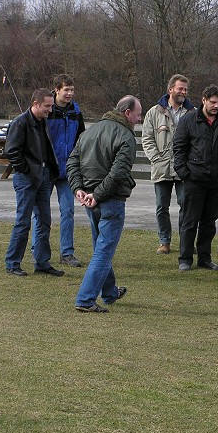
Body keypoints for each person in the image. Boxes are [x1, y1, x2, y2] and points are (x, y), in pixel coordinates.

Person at [66, 95, 142, 312]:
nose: (139, 119)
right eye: (137, 115)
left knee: (101, 247)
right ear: (127, 113)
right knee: (103, 251)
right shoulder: (126, 137)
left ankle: (109, 292)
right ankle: (85, 299)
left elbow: (72, 162)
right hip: (109, 201)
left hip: (91, 200)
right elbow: (118, 172)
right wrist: (97, 195)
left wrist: (79, 189)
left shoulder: (89, 131)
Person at [173, 84, 218, 271]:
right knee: (189, 221)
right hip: (195, 180)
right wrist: (184, 174)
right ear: (203, 100)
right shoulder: (189, 120)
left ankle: (204, 258)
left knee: (209, 222)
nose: (216, 106)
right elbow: (179, 149)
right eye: (213, 102)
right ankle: (185, 258)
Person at [4, 88, 65, 277]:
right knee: (23, 221)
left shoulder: (42, 121)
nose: (50, 110)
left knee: (44, 221)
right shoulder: (20, 123)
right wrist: (27, 170)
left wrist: (47, 171)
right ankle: (13, 262)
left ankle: (42, 262)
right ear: (35, 104)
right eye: (47, 106)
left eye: (51, 106)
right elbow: (12, 151)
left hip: (43, 177)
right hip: (27, 179)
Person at [32, 74, 86, 267]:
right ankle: (37, 251)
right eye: (66, 90)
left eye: (72, 90)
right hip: (47, 170)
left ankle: (67, 253)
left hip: (67, 171)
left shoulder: (76, 113)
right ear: (56, 90)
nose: (70, 93)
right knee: (41, 213)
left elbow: (81, 140)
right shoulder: (47, 111)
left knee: (68, 211)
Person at [142, 74, 195, 255]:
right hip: (161, 167)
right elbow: (147, 139)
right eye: (180, 88)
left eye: (186, 89)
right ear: (170, 89)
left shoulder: (193, 113)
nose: (183, 92)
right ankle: (164, 241)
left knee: (185, 205)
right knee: (161, 207)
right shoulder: (154, 113)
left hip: (184, 169)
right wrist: (156, 158)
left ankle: (185, 242)